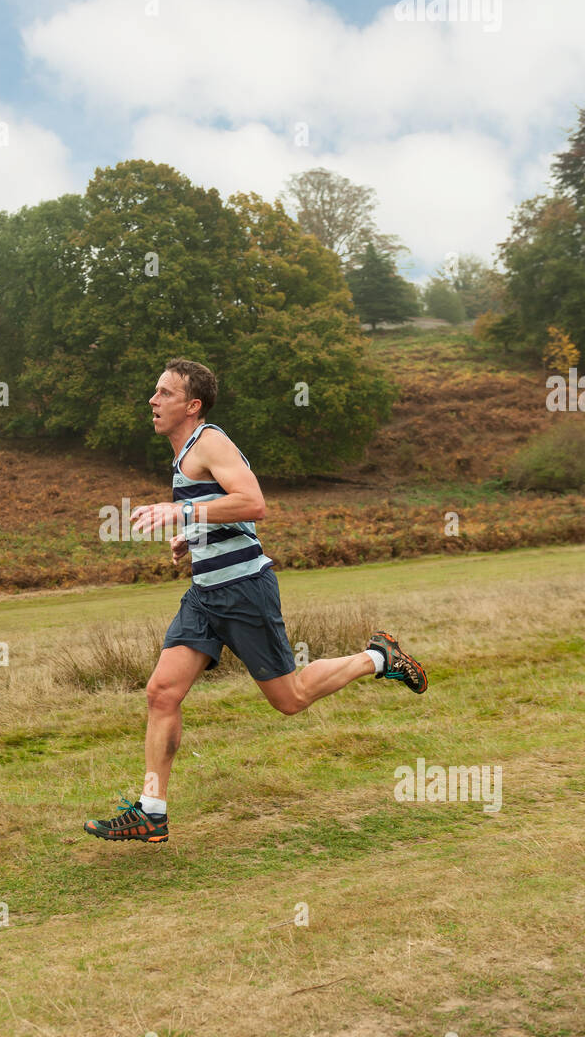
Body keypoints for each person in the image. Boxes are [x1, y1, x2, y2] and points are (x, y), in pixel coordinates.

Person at [84, 358, 427, 843]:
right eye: (154, 392)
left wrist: (181, 510)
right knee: (162, 692)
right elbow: (224, 508)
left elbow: (253, 502)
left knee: (291, 699)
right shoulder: (183, 456)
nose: (152, 400)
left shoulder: (210, 441)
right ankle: (151, 811)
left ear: (192, 405)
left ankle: (378, 657)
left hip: (243, 590)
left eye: (163, 393)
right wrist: (193, 531)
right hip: (204, 595)